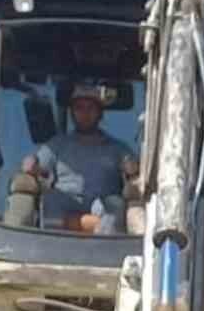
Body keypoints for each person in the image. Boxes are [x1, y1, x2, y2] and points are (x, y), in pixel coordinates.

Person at [22, 84, 137, 234]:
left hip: (101, 202)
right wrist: (30, 164)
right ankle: (52, 247)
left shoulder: (117, 148)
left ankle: (105, 250)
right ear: (72, 113)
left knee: (116, 204)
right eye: (79, 108)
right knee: (51, 200)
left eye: (90, 108)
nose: (85, 113)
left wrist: (132, 168)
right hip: (67, 200)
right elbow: (35, 166)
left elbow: (133, 168)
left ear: (100, 113)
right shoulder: (57, 144)